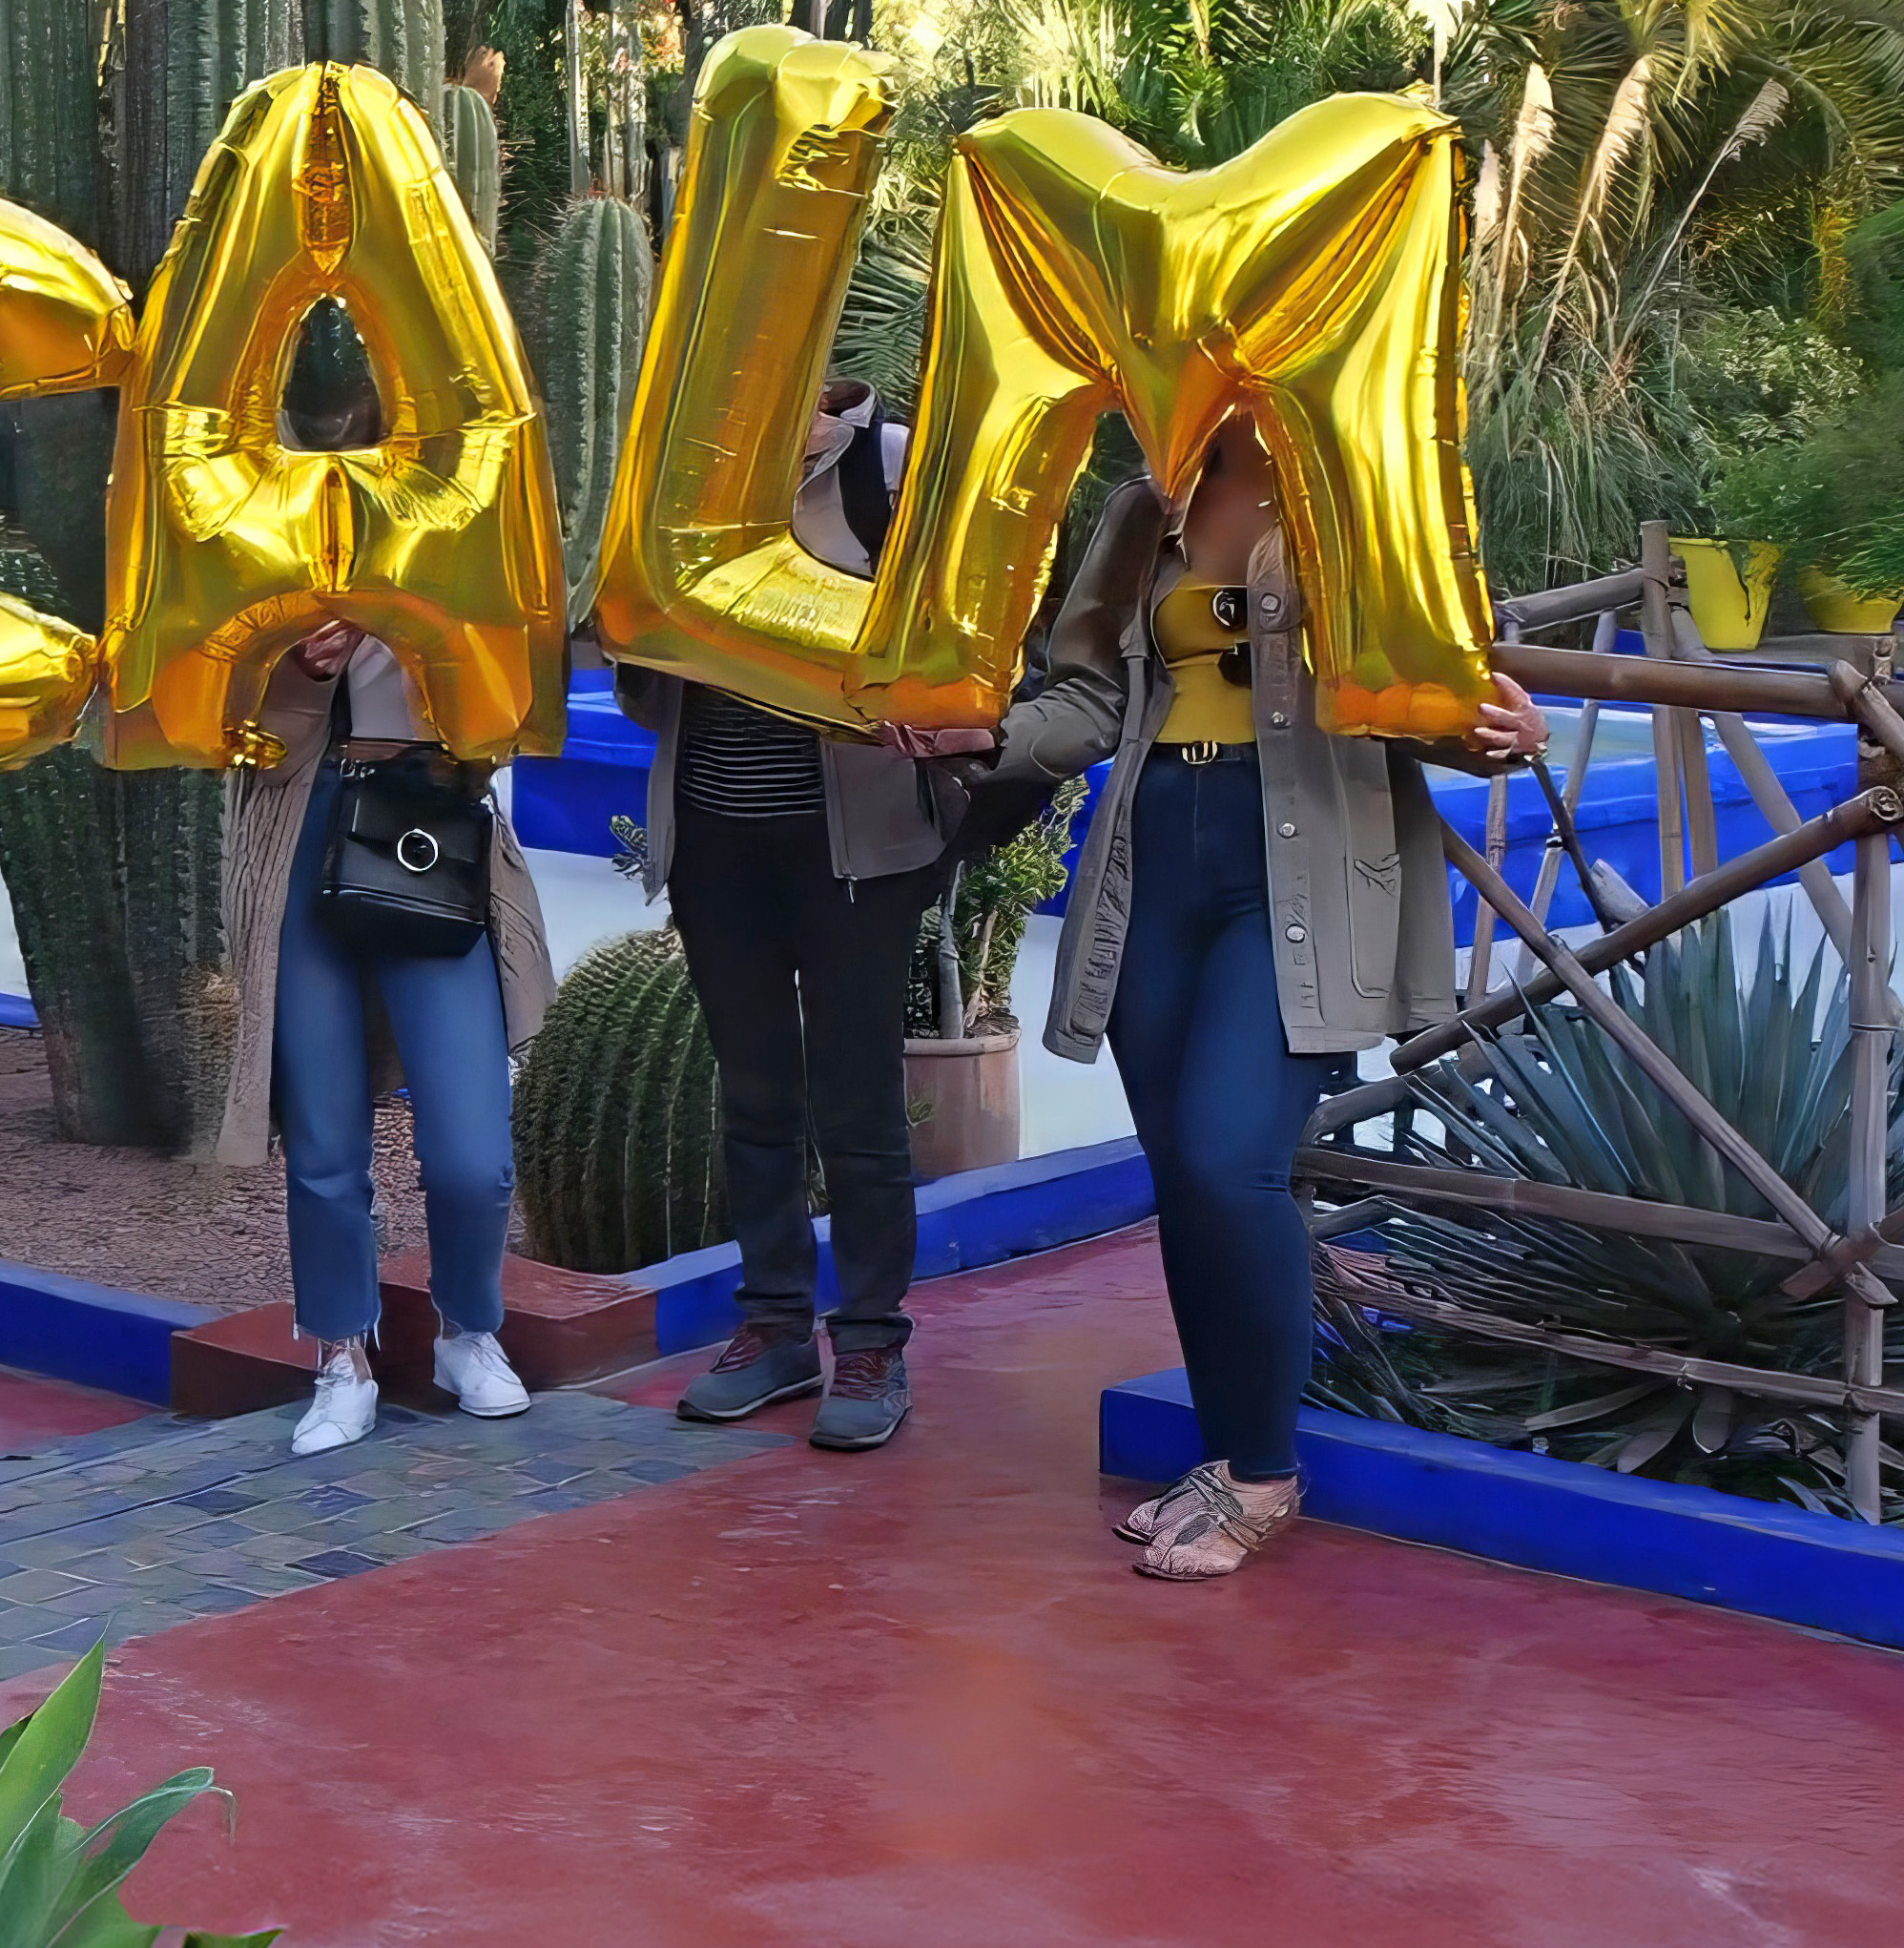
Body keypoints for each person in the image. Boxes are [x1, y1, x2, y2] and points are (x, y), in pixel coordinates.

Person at [979, 409, 1543, 1578]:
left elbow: (1437, 692)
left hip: (1296, 864)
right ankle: (1225, 1449)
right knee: (1186, 1177)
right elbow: (1085, 696)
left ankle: (1266, 1469)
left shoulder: (1373, 491)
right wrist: (973, 736)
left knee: (1234, 1158)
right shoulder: (1154, 500)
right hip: (1153, 862)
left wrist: (1501, 731)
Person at [620, 378, 962, 1453]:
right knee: (755, 1098)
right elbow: (644, 686)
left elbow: (966, 630)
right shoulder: (689, 476)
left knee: (857, 1108)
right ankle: (771, 1327)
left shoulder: (889, 468)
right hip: (718, 841)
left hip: (854, 850)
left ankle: (869, 1343)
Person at [222, 369, 554, 1457]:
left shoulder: (498, 518)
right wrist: (298, 658)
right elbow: (218, 693)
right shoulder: (297, 508)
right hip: (315, 819)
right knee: (323, 1127)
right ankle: (340, 1352)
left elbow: (523, 698)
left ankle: (469, 1325)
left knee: (470, 1147)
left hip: (431, 824)